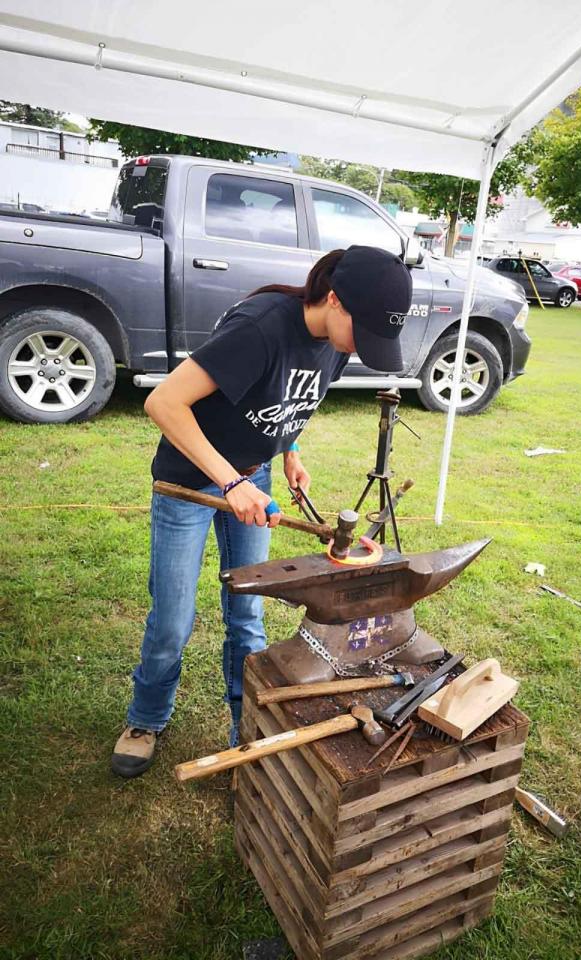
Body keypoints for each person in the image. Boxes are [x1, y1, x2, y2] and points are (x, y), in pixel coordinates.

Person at [111, 245, 413, 778]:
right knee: (173, 622)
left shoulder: (335, 340)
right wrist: (229, 481)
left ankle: (242, 727)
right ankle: (146, 718)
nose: (362, 349)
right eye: (363, 332)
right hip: (191, 482)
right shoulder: (261, 328)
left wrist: (289, 452)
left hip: (255, 478)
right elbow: (163, 403)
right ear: (334, 299)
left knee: (247, 615)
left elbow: (295, 398)